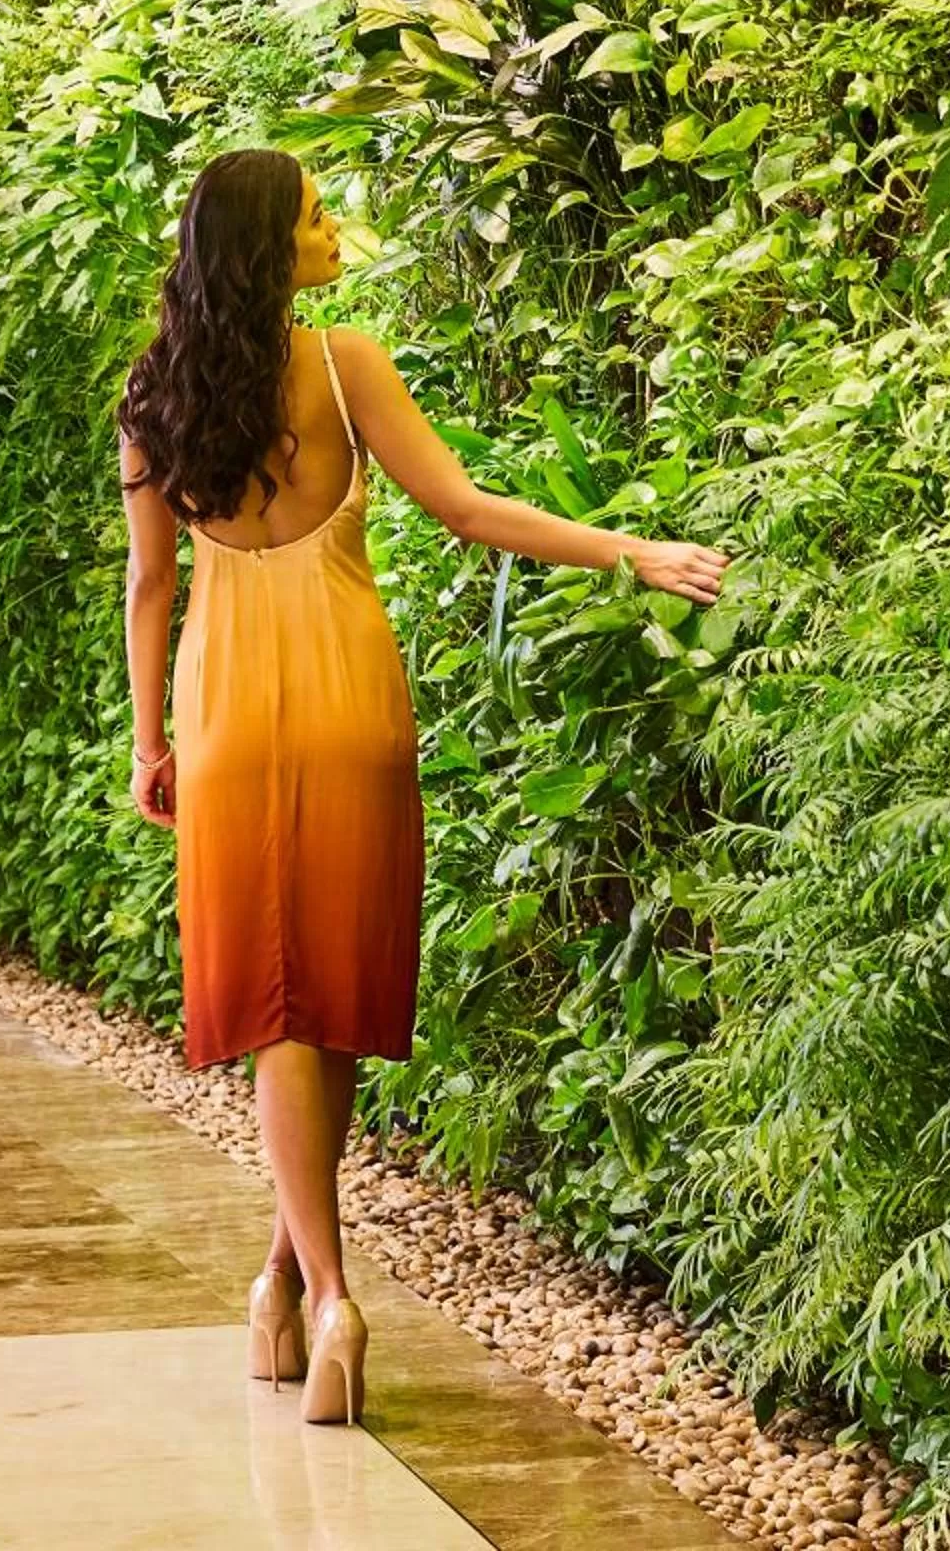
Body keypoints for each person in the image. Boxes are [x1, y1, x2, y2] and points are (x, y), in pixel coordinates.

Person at [114, 148, 730, 1425]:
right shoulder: (345, 365)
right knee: (322, 991)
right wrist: (634, 549)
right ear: (270, 249)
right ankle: (305, 1289)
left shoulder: (154, 397)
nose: (335, 230)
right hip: (351, 706)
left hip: (224, 712)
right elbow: (465, 508)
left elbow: (150, 589)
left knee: (283, 999)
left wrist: (146, 746)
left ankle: (307, 1287)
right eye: (315, 215)